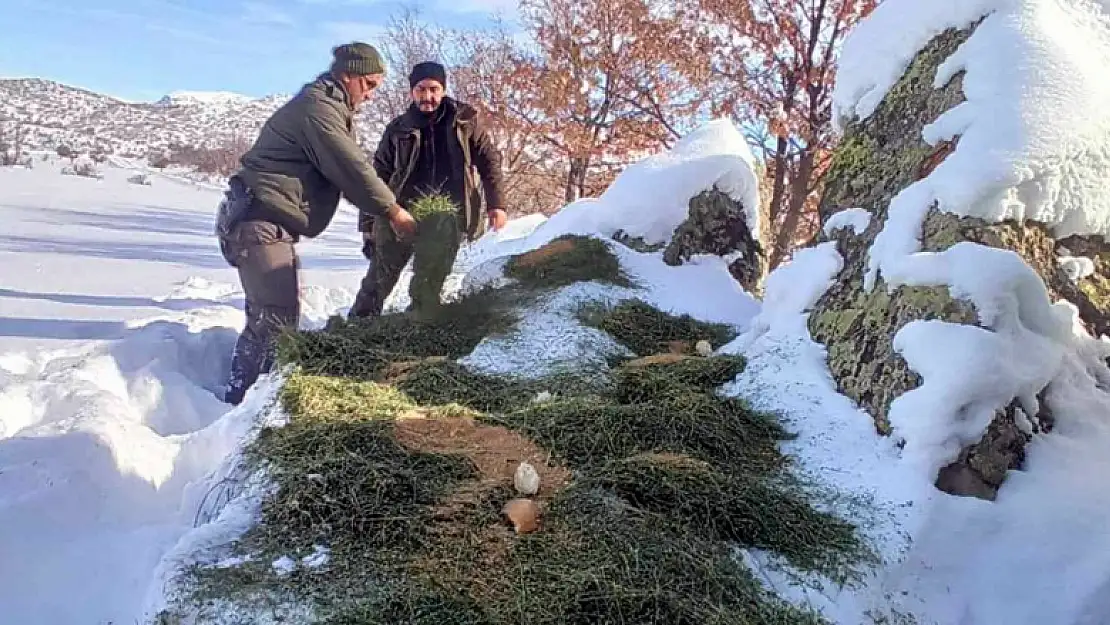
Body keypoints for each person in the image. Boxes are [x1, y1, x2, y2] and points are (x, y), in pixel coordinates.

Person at [215, 42, 418, 405]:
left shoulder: (331, 105)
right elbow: (351, 167)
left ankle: (251, 397)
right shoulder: (319, 109)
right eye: (369, 84)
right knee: (274, 320)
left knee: (273, 314)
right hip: (257, 221)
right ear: (349, 76)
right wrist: (394, 212)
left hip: (268, 225)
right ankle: (241, 403)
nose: (371, 95)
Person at [347, 60, 507, 318]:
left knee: (429, 282)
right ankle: (355, 328)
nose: (428, 96)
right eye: (421, 89)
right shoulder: (398, 129)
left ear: (443, 90)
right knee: (378, 280)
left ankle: (418, 325)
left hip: (447, 216)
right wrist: (367, 225)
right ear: (412, 92)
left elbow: (489, 161)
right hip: (400, 213)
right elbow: (376, 178)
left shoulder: (465, 122)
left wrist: (496, 204)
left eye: (433, 89)